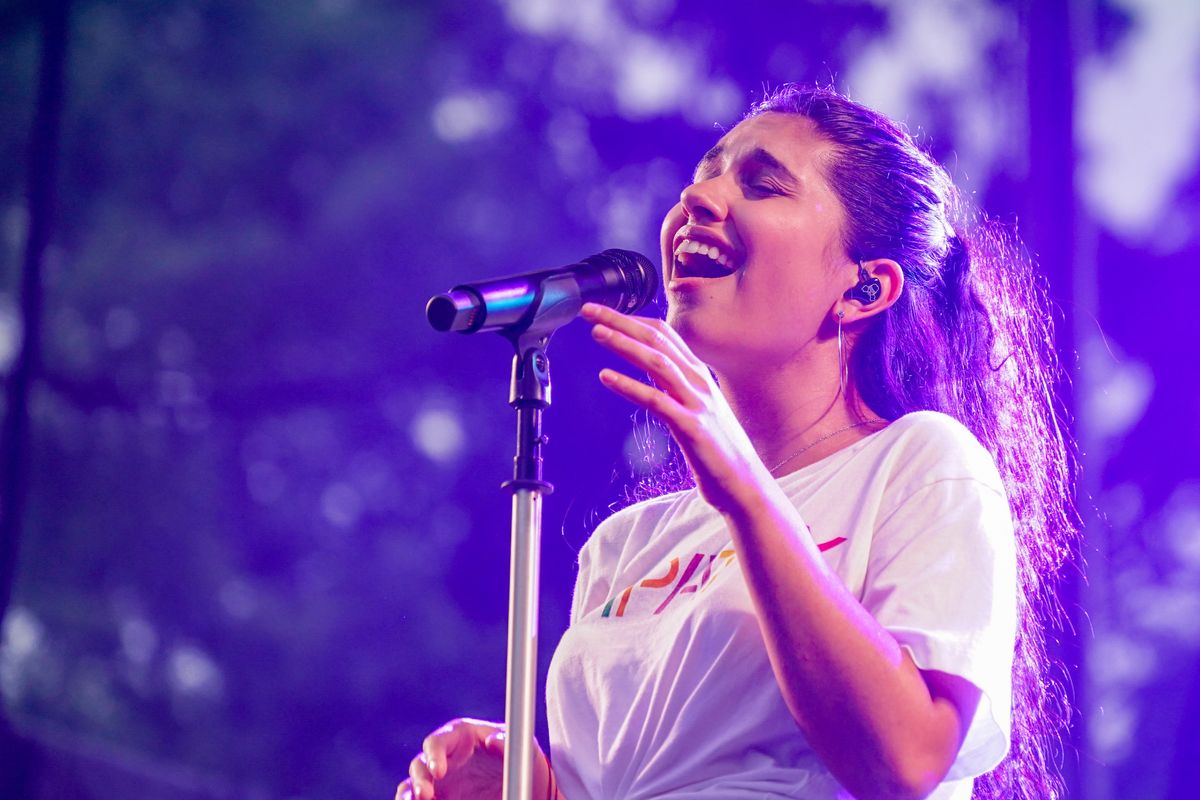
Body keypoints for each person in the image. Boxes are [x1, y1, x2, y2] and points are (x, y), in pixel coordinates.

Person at [397, 84, 1076, 800]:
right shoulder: (628, 544)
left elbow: (906, 759)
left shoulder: (921, 465)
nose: (699, 198)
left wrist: (747, 492)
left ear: (864, 289)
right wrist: (539, 790)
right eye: (702, 175)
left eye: (762, 184)